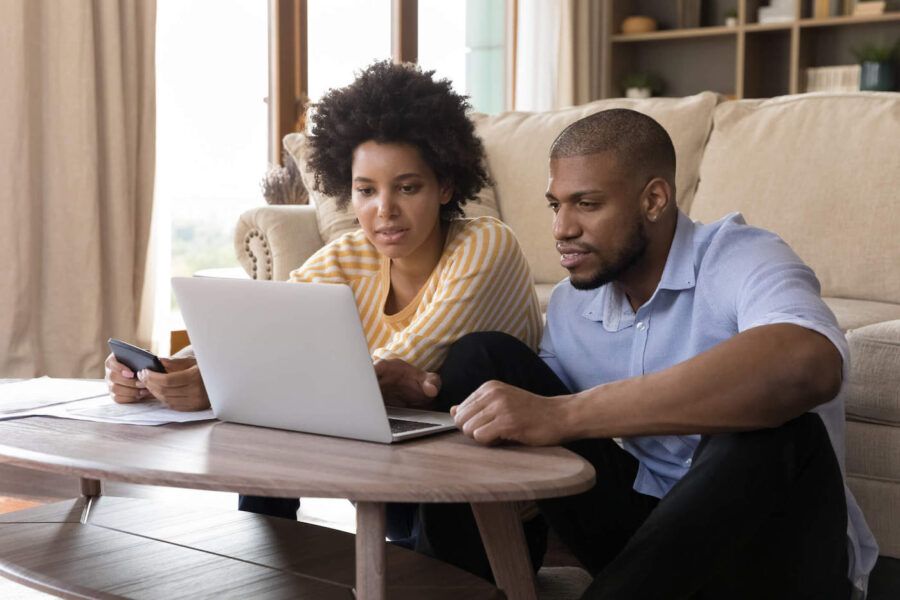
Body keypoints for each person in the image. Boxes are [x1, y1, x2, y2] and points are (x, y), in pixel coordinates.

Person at [398, 109, 878, 598]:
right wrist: (419, 388)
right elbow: (526, 414)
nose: (562, 228)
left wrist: (565, 414)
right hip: (649, 540)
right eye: (555, 206)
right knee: (482, 359)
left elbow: (807, 363)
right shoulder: (572, 302)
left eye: (586, 204)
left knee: (774, 431)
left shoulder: (743, 257)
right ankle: (456, 587)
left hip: (772, 558)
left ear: (653, 199)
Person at [103, 61, 544, 530]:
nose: (385, 211)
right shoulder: (351, 255)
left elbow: (404, 355)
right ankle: (268, 557)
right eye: (365, 190)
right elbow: (262, 329)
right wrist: (161, 370)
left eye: (407, 188)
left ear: (445, 186)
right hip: (392, 473)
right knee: (273, 392)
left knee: (284, 388)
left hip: (492, 510)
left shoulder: (486, 244)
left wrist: (222, 382)